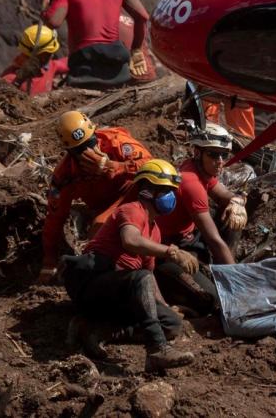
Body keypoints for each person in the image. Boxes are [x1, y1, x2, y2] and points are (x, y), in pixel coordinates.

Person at [62, 159, 198, 371]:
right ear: (147, 190)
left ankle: (94, 330)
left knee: (171, 324)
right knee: (139, 277)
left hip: (118, 292)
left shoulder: (155, 231)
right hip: (91, 283)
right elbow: (130, 241)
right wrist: (171, 251)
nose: (170, 197)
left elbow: (149, 278)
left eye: (171, 191)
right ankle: (157, 350)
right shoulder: (133, 210)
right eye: (165, 191)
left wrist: (164, 306)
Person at [39, 111, 152, 282]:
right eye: (80, 150)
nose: (90, 151)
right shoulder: (66, 175)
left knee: (101, 224)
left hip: (135, 193)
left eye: (91, 143)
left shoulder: (115, 142)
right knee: (99, 230)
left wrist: (116, 166)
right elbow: (55, 217)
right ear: (70, 152)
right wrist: (49, 260)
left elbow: (151, 164)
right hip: (105, 208)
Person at [155, 123, 247, 313]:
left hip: (190, 240)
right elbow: (214, 240)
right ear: (198, 153)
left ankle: (221, 269)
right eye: (213, 154)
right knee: (211, 301)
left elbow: (224, 196)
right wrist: (240, 284)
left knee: (231, 213)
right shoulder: (191, 182)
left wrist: (237, 202)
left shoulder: (202, 170)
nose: (220, 161)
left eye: (224, 155)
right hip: (168, 252)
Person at [1, 24, 69, 95]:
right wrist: (19, 80)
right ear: (42, 54)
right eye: (49, 53)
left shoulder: (49, 67)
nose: (52, 55)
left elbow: (69, 63)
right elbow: (4, 96)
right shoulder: (10, 78)